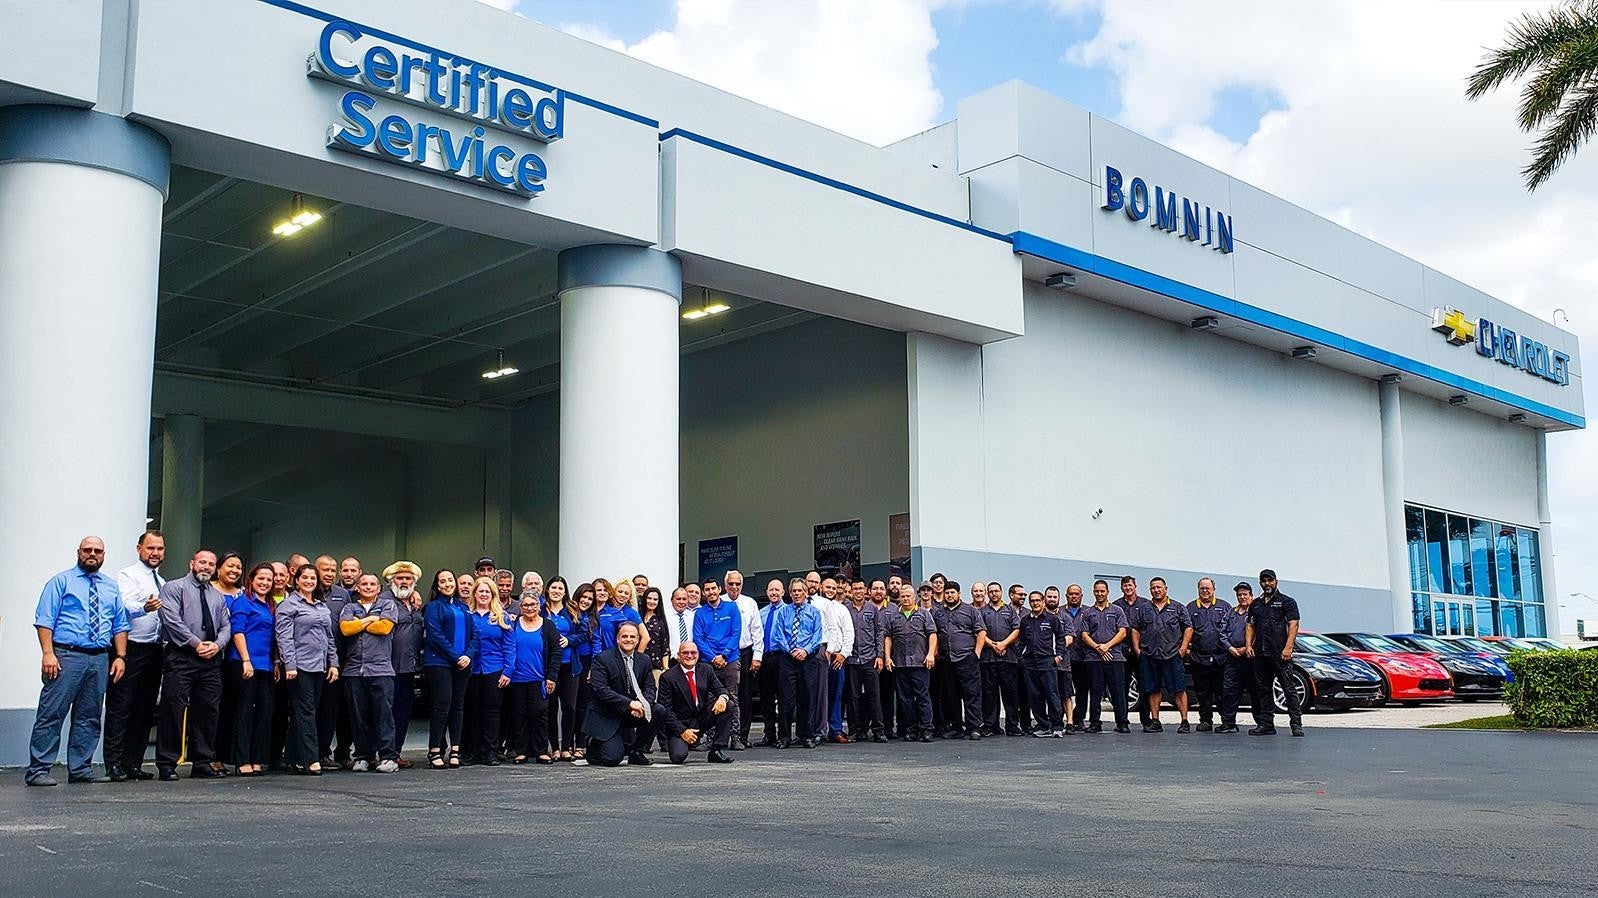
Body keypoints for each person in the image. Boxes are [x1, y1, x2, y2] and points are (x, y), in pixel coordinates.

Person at [26, 536, 129, 786]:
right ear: (78, 552)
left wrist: (121, 657)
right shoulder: (61, 582)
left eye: (97, 551)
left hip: (99, 659)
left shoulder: (111, 587)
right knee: (52, 713)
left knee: (90, 716)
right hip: (66, 656)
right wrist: (48, 653)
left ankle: (80, 769)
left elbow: (120, 624)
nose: (92, 554)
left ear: (104, 555)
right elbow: (45, 620)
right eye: (87, 550)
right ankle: (38, 770)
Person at [155, 549, 231, 781]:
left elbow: (226, 625)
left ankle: (202, 761)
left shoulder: (217, 596)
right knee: (173, 709)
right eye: (202, 562)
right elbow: (170, 619)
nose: (206, 567)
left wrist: (217, 645)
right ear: (192, 564)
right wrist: (196, 643)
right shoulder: (174, 588)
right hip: (182, 656)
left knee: (208, 710)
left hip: (211, 660)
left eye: (211, 564)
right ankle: (167, 764)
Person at [106, 530, 166, 781]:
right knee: (121, 706)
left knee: (144, 709)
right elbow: (123, 606)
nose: (155, 553)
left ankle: (133, 763)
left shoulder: (162, 582)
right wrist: (144, 607)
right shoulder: (128, 575)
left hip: (154, 650)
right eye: (150, 548)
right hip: (130, 649)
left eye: (160, 549)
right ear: (139, 548)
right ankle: (114, 764)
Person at [276, 564, 338, 775]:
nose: (310, 581)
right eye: (305, 578)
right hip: (299, 666)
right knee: (305, 712)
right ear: (296, 580)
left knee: (308, 710)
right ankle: (311, 758)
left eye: (313, 578)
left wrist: (334, 663)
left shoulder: (321, 605)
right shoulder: (288, 605)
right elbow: (284, 638)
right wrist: (289, 665)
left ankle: (293, 758)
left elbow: (329, 637)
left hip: (319, 666)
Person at [340, 572, 400, 772]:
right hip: (354, 670)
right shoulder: (349, 607)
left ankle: (388, 757)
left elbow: (384, 628)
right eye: (364, 584)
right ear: (357, 588)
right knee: (359, 717)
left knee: (384, 715)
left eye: (372, 584)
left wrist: (360, 623)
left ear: (378, 588)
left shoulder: (388, 605)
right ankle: (363, 756)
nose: (367, 587)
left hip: (381, 669)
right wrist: (371, 619)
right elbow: (346, 629)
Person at [584, 622, 665, 766]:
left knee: (658, 710)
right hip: (607, 714)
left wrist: (643, 705)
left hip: (632, 711)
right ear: (617, 639)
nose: (628, 639)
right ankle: (594, 743)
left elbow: (650, 687)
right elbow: (601, 690)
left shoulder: (644, 660)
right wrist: (629, 704)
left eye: (632, 637)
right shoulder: (602, 659)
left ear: (638, 640)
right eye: (624, 636)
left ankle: (637, 751)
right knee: (612, 759)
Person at [225, 563, 277, 776]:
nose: (265, 583)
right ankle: (241, 759)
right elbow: (237, 632)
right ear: (251, 580)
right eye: (261, 579)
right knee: (244, 711)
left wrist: (275, 663)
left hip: (265, 665)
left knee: (265, 712)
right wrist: (246, 660)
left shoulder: (270, 606)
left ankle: (258, 758)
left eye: (269, 580)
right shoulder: (243, 602)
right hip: (244, 662)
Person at [422, 569, 477, 769]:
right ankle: (434, 750)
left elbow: (474, 635)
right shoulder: (433, 607)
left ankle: (455, 749)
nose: (447, 584)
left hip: (462, 664)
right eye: (442, 581)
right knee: (441, 705)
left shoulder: (463, 607)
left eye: (450, 580)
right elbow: (435, 636)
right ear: (437, 586)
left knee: (458, 706)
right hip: (439, 663)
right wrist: (456, 657)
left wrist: (468, 656)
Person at [1129, 577, 1193, 733]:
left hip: (1172, 655)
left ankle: (1184, 721)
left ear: (1166, 588)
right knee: (1153, 689)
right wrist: (1137, 648)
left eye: (1159, 587)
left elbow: (1188, 628)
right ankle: (1155, 720)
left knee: (1178, 689)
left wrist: (1183, 648)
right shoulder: (1144, 609)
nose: (1156, 590)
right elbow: (1135, 629)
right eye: (1153, 588)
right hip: (1150, 655)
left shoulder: (1178, 607)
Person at [504, 591, 561, 764]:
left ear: (539, 606)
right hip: (517, 679)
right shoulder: (513, 624)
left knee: (540, 714)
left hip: (539, 679)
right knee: (520, 715)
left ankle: (541, 751)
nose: (529, 608)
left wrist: (551, 676)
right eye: (526, 605)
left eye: (533, 604)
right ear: (520, 607)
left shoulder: (548, 626)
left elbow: (556, 652)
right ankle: (522, 751)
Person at [1245, 569, 1304, 737]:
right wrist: (1249, 645)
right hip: (1260, 654)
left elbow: (1294, 625)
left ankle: (1296, 725)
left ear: (1276, 581)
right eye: (1264, 581)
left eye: (1270, 580)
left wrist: (1288, 647)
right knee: (1263, 690)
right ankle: (1266, 724)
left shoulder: (1287, 602)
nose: (1267, 584)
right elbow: (1250, 625)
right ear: (1260, 583)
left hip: (1280, 654)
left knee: (1289, 689)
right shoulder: (1256, 604)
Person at [657, 641, 736, 764]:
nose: (689, 656)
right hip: (680, 724)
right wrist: (683, 731)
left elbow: (721, 689)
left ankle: (717, 750)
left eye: (693, 652)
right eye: (685, 653)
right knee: (678, 757)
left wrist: (722, 698)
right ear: (678, 655)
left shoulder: (706, 669)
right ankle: (686, 742)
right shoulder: (668, 677)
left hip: (701, 719)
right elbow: (666, 710)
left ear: (698, 654)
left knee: (728, 705)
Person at [769, 578, 825, 749]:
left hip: (808, 659)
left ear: (806, 593)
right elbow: (778, 635)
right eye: (794, 591)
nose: (797, 594)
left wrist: (805, 651)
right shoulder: (783, 612)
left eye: (800, 591)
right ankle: (784, 736)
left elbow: (817, 636)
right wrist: (791, 650)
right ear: (790, 593)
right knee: (786, 699)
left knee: (807, 698)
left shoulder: (814, 612)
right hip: (787, 659)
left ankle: (806, 735)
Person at [462, 578, 513, 765]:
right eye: (481, 591)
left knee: (492, 712)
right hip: (471, 670)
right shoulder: (467, 616)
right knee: (472, 711)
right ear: (474, 593)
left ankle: (491, 751)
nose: (484, 595)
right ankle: (473, 751)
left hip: (495, 669)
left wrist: (508, 671)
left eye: (488, 592)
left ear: (493, 595)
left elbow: (509, 646)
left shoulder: (501, 616)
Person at [882, 584, 938, 743]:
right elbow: (888, 637)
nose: (906, 599)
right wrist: (887, 657)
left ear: (914, 598)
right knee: (905, 699)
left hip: (920, 663)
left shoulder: (924, 615)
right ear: (899, 597)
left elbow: (932, 635)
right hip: (900, 664)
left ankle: (926, 729)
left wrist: (930, 654)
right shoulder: (893, 616)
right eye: (903, 596)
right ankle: (911, 729)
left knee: (923, 697)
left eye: (909, 596)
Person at [933, 580, 987, 740]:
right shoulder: (938, 612)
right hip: (946, 660)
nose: (949, 595)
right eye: (947, 593)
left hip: (966, 658)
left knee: (972, 694)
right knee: (951, 695)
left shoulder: (969, 610)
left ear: (959, 594)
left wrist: (976, 653)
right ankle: (956, 726)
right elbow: (934, 633)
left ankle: (974, 727)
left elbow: (981, 631)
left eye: (952, 592)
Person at [314, 554, 354, 769]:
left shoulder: (342, 595)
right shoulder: (308, 590)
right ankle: (308, 753)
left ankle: (323, 753)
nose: (328, 574)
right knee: (310, 710)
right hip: (309, 661)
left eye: (332, 570)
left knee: (330, 710)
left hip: (335, 662)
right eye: (325, 570)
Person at [692, 577, 742, 743]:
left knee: (732, 698)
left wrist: (724, 655)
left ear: (719, 589)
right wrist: (713, 657)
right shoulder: (700, 613)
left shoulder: (731, 608)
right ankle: (712, 737)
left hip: (730, 660)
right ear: (704, 593)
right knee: (710, 699)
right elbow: (698, 638)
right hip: (708, 662)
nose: (711, 592)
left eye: (713, 588)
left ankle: (735, 737)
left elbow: (736, 634)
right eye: (707, 590)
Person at [384, 561, 425, 767]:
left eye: (408, 579)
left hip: (409, 667)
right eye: (400, 578)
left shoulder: (415, 604)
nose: (404, 582)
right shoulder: (383, 600)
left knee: (403, 712)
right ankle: (383, 753)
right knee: (385, 712)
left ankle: (396, 752)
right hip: (387, 666)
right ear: (391, 581)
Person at [1018, 590, 1072, 737]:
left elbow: (1061, 638)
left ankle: (1057, 727)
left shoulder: (1052, 619)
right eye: (1032, 601)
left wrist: (1059, 656)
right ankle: (1043, 726)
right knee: (1034, 696)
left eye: (1038, 600)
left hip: (1048, 661)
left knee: (1052, 694)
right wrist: (1021, 658)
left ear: (1042, 602)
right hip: (1030, 663)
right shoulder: (1025, 621)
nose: (1035, 603)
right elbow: (1021, 641)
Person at [1080, 580, 1130, 733]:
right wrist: (1098, 648)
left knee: (1118, 691)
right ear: (1093, 592)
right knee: (1095, 691)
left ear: (1107, 592)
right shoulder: (1088, 612)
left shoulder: (1117, 610)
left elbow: (1123, 632)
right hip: (1093, 658)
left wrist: (1107, 646)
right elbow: (1084, 634)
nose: (1099, 594)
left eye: (1102, 591)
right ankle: (1095, 723)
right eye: (1097, 591)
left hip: (1114, 657)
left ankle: (1122, 723)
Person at [1185, 578, 1232, 733]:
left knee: (1223, 692)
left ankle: (1226, 721)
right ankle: (1205, 721)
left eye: (1208, 588)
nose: (1205, 591)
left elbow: (1231, 630)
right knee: (1202, 692)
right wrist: (1187, 650)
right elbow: (1185, 630)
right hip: (1199, 658)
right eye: (1202, 588)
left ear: (1214, 589)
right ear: (1198, 589)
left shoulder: (1224, 606)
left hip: (1221, 658)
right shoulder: (1191, 608)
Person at [544, 577, 582, 761]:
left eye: (560, 588)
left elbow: (584, 634)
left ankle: (567, 746)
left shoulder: (572, 611)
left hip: (570, 666)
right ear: (548, 590)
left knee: (569, 707)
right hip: (548, 666)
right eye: (553, 587)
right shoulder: (542, 610)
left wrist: (570, 640)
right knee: (550, 707)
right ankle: (555, 747)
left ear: (565, 591)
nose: (557, 591)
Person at [726, 570, 763, 750]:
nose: (734, 587)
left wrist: (757, 656)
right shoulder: (721, 602)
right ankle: (724, 734)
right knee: (726, 695)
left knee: (745, 695)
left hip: (745, 652)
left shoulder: (750, 603)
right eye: (731, 584)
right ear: (725, 585)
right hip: (724, 654)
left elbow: (757, 631)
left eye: (737, 584)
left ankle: (742, 735)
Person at [845, 581, 886, 742]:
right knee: (853, 697)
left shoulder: (872, 609)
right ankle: (855, 730)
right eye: (855, 589)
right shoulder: (845, 609)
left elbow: (879, 633)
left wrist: (879, 655)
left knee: (874, 696)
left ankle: (878, 730)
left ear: (866, 591)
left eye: (861, 588)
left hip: (870, 658)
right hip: (851, 659)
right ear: (851, 591)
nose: (858, 591)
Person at [979, 584, 1022, 737]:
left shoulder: (1010, 610)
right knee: (989, 694)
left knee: (1010, 693)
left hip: (1008, 658)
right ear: (987, 594)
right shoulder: (982, 611)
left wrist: (1004, 643)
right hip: (988, 659)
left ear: (1002, 593)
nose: (993, 594)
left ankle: (1012, 725)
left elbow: (1017, 630)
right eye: (990, 592)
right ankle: (991, 725)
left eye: (996, 591)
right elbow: (979, 632)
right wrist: (992, 644)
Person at [1217, 582, 1260, 734]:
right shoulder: (1230, 612)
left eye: (1245, 594)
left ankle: (1262, 724)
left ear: (1251, 596)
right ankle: (1229, 723)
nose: (1242, 597)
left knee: (1256, 692)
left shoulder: (1256, 612)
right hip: (1232, 659)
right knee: (1229, 691)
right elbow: (1221, 632)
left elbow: (1260, 633)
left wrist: (1248, 647)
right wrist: (1230, 648)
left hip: (1251, 659)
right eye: (1239, 595)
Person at [1112, 576, 1152, 727]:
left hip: (1141, 651)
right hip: (1122, 651)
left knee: (1144, 686)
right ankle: (1122, 722)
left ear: (1135, 586)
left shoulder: (1145, 604)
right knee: (1121, 687)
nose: (1127, 588)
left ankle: (1146, 720)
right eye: (1125, 586)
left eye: (1130, 585)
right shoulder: (1116, 605)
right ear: (1121, 588)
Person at [756, 579, 787, 747]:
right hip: (765, 657)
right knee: (766, 697)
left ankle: (784, 735)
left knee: (783, 697)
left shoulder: (788, 611)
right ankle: (769, 734)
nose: (774, 593)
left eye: (777, 590)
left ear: (783, 592)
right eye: (771, 590)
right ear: (766, 592)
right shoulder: (762, 612)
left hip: (782, 657)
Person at [1059, 584, 1092, 733]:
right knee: (1062, 690)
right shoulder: (1059, 611)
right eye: (1071, 594)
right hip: (1064, 657)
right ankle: (1059, 717)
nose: (1074, 596)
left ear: (1081, 595)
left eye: (1077, 594)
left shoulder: (1088, 611)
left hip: (1082, 657)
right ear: (1066, 596)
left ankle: (1078, 719)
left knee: (1082, 691)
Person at [639, 586, 669, 673]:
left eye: (655, 599)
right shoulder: (637, 617)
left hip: (655, 665)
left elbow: (665, 646)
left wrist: (665, 668)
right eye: (649, 598)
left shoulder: (660, 621)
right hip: (638, 663)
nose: (652, 601)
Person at [663, 585, 696, 659]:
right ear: (672, 600)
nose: (681, 602)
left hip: (690, 658)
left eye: (684, 599)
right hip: (671, 658)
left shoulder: (693, 616)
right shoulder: (664, 616)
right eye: (678, 599)